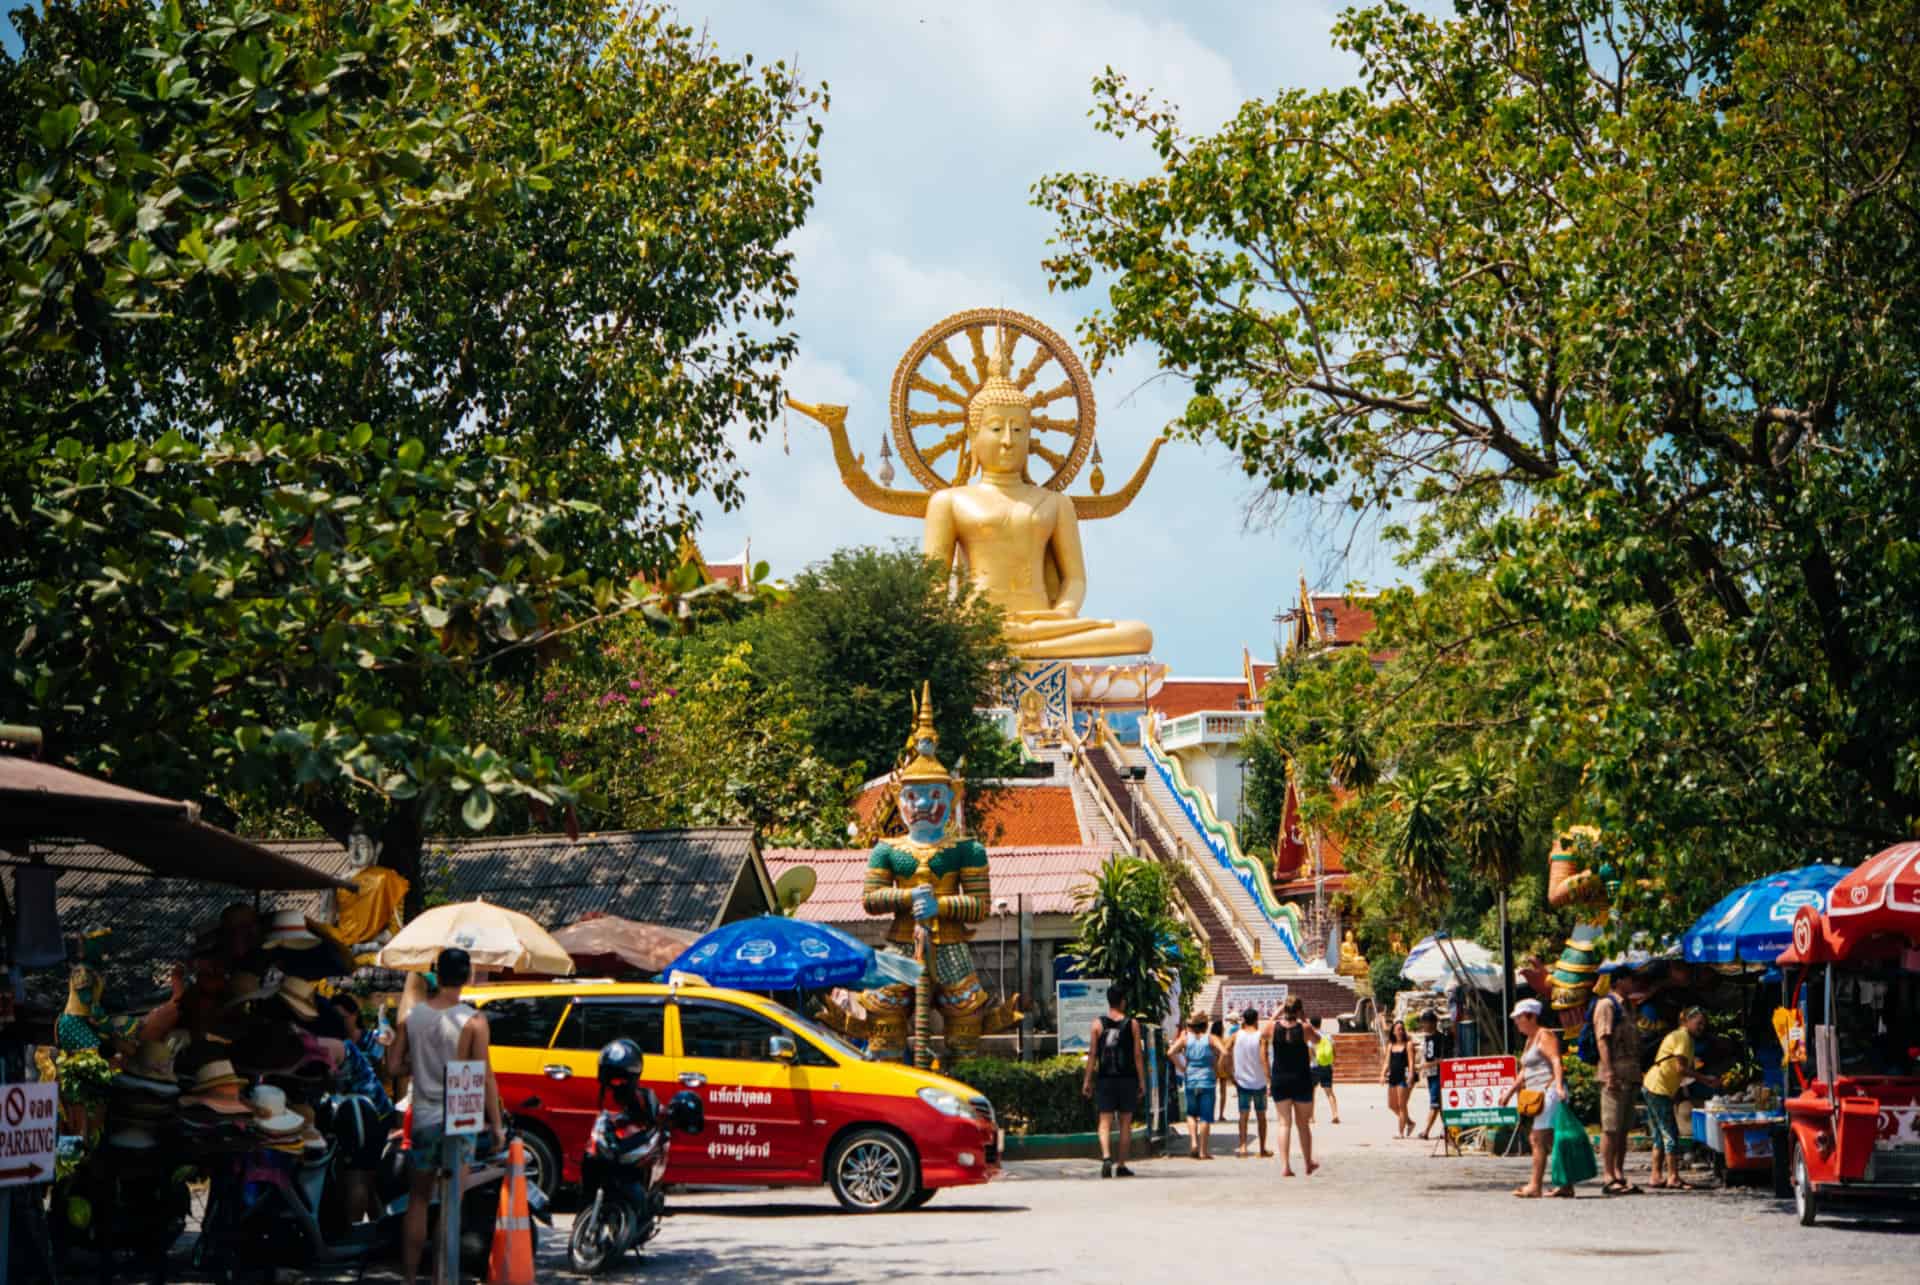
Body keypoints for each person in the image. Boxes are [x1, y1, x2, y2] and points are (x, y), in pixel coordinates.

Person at [385, 947, 504, 1285]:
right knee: (452, 1199)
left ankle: (409, 1278)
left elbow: (393, 1067)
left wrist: (421, 1067)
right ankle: (442, 1277)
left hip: (422, 1118)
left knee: (419, 1200)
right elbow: (484, 1076)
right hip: (460, 1120)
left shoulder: (413, 1017)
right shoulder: (474, 1021)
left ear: (436, 974)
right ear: (466, 976)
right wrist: (496, 1125)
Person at [329, 993, 395, 1224]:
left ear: (354, 1015)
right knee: (366, 1178)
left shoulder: (365, 1041)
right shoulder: (340, 1043)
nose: (338, 1021)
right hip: (358, 1114)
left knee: (359, 1175)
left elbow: (385, 1071)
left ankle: (356, 1230)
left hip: (371, 1113)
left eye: (342, 1016)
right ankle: (379, 1227)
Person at [1501, 999, 1572, 1198]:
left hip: (1549, 1091)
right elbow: (1525, 1070)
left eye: (1519, 1017)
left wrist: (1558, 1086)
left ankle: (1535, 1185)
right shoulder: (1530, 1040)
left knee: (1538, 1138)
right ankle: (1565, 1184)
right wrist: (1509, 1092)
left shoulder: (1545, 1035)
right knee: (1550, 1140)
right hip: (1537, 1093)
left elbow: (1556, 1060)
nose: (1516, 1022)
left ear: (1531, 1017)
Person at [1643, 1006, 1720, 1190]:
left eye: (1703, 1024)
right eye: (1698, 1023)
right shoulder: (1683, 1037)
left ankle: (1656, 1175)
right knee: (1670, 1133)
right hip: (1658, 1088)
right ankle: (1673, 1177)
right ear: (1686, 1021)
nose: (1701, 1027)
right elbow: (1680, 1068)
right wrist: (1705, 1079)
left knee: (1659, 1135)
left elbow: (1678, 1072)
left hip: (1653, 1085)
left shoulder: (1681, 1037)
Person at [1082, 983, 1146, 1178]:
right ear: (1123, 1001)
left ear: (1108, 1001)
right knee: (1126, 1122)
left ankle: (1106, 1156)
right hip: (1127, 1079)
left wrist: (1087, 1080)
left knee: (1104, 1121)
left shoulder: (1097, 1024)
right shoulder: (1132, 1024)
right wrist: (1142, 1081)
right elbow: (1137, 1055)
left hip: (1105, 1079)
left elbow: (1093, 1054)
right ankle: (1121, 1164)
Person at [1591, 976, 1644, 1194]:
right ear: (1620, 981)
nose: (1634, 983)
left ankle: (1619, 1173)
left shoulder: (1628, 1007)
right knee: (1610, 1127)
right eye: (1630, 978)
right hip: (1614, 1073)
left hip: (1630, 1073)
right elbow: (1602, 1039)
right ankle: (1608, 1175)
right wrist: (1609, 1071)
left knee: (1623, 1128)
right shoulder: (1606, 1005)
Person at [1267, 997, 1319, 1177]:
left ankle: (1285, 1166)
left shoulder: (1273, 1028)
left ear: (1284, 1010)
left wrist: (1276, 1013)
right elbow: (1318, 1040)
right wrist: (1304, 1020)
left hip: (1280, 1079)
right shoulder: (1304, 1028)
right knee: (1303, 1124)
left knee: (1284, 1123)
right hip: (1301, 1079)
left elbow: (1263, 1030)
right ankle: (1307, 1163)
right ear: (1299, 1010)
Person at [1171, 1014, 1225, 1159]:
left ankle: (1193, 1142)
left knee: (1191, 1114)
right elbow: (1224, 1051)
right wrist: (1217, 1066)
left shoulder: (1185, 1039)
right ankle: (1202, 1151)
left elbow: (1170, 1052)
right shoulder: (1211, 1039)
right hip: (1208, 1080)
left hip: (1191, 1080)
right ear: (1205, 1025)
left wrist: (1182, 1067)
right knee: (1205, 1117)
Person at [1226, 1006, 1271, 1158]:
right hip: (1259, 1082)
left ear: (1243, 1020)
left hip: (1242, 1082)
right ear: (1256, 1020)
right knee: (1261, 1116)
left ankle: (1243, 1147)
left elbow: (1225, 1052)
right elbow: (1264, 1058)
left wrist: (1228, 1074)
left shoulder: (1235, 1036)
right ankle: (1262, 1148)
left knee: (1243, 1115)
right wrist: (1268, 1079)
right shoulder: (1261, 1037)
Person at [1416, 1010, 1452, 1140]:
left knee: (1435, 1103)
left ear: (1433, 1023)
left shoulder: (1441, 1038)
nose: (1424, 1025)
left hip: (1439, 1074)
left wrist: (1424, 1066)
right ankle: (1447, 1130)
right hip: (1430, 1075)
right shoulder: (1426, 1038)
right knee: (1440, 1104)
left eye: (1426, 1022)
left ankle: (1426, 1131)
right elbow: (1426, 1056)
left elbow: (1442, 1059)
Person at [1381, 1018, 1414, 1138]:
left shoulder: (1408, 1044)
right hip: (1393, 1076)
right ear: (1393, 1031)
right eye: (1398, 1029)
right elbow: (1386, 1062)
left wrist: (1410, 1075)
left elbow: (1411, 1062)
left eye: (1402, 1029)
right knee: (1391, 1105)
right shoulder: (1390, 1045)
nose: (1400, 1031)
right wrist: (1382, 1074)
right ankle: (1409, 1122)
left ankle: (1400, 1132)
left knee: (1402, 1105)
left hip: (1403, 1077)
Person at [1309, 1016, 1340, 1124]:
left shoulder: (1311, 1037)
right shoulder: (1328, 1036)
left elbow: (1310, 1053)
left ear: (1311, 1025)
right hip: (1327, 1065)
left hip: (1315, 1066)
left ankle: (1311, 1117)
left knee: (1311, 1092)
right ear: (1320, 1023)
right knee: (1329, 1092)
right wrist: (1332, 1062)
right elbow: (1334, 1051)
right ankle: (1335, 1114)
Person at [1211, 1018, 1231, 1122]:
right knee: (1223, 1092)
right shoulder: (1224, 1040)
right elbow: (1227, 1054)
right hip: (1222, 1067)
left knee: (1212, 1092)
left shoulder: (1210, 1040)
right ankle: (1221, 1115)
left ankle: (1211, 1114)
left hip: (1213, 1067)